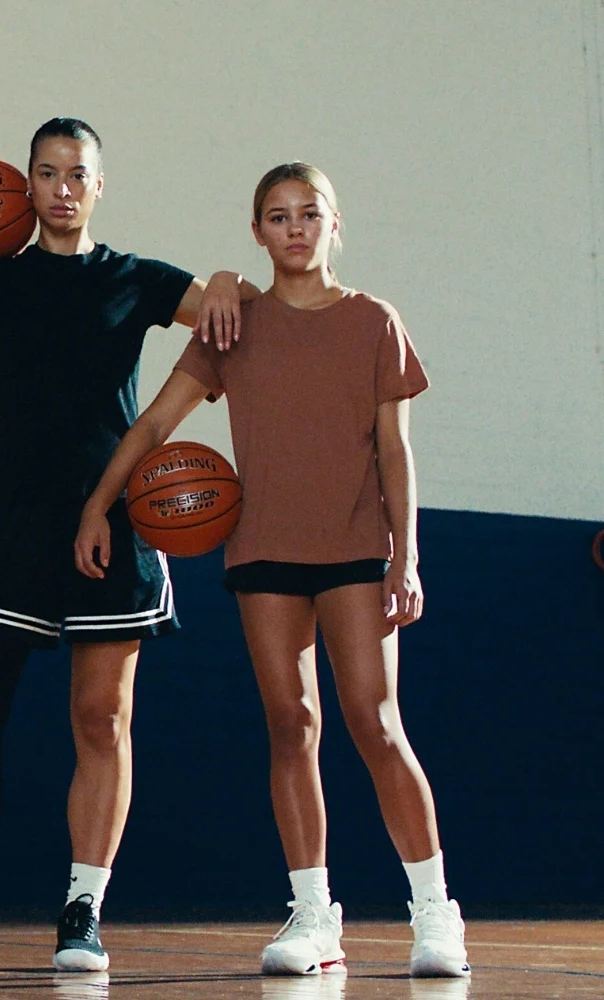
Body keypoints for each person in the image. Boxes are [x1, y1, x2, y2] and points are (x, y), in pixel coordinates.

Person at [0, 117, 253, 972]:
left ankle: (83, 911)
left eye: (79, 173)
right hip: (16, 522)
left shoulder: (136, 279)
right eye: (47, 173)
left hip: (117, 524)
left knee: (101, 717)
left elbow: (241, 321)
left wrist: (224, 276)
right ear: (27, 186)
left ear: (99, 185)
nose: (64, 187)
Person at [75, 162, 470, 978]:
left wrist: (410, 556)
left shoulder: (373, 321)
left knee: (375, 721)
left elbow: (395, 450)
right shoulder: (233, 323)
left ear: (335, 224)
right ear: (257, 232)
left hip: (358, 547)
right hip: (263, 550)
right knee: (292, 726)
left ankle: (436, 912)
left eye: (309, 213)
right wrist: (97, 505)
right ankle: (314, 914)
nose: (295, 227)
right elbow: (156, 421)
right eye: (278, 216)